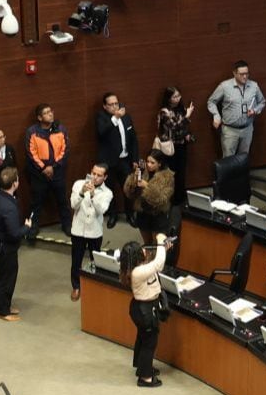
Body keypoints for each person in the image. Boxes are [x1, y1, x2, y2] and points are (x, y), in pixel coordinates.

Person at [119, 238, 172, 387]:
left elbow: (153, 262)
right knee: (150, 342)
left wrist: (163, 248)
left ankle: (142, 367)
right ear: (136, 255)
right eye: (140, 249)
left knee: (143, 339)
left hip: (141, 308)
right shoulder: (138, 272)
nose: (144, 249)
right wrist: (161, 241)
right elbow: (158, 264)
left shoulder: (136, 268)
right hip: (145, 310)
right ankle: (145, 378)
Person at [67, 163, 113, 302]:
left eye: (99, 175)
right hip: (78, 230)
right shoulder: (78, 184)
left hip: (94, 231)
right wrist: (82, 193)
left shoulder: (107, 193)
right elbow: (73, 205)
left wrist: (93, 196)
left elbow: (102, 210)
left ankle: (95, 285)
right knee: (76, 260)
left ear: (105, 177)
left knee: (95, 260)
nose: (95, 177)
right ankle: (76, 286)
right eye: (93, 173)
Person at [0, 166, 27, 321]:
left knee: (3, 276)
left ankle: (3, 304)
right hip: (5, 248)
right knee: (7, 278)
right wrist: (27, 227)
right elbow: (15, 233)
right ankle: (3, 310)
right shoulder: (9, 208)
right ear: (15, 183)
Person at [94, 91, 139, 227]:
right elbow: (101, 133)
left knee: (128, 188)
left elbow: (133, 139)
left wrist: (135, 159)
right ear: (105, 106)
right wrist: (114, 118)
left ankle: (130, 214)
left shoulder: (126, 117)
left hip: (125, 160)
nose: (114, 106)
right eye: (111, 104)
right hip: (109, 162)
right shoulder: (101, 117)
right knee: (110, 189)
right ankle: (113, 215)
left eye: (116, 103)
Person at [25, 103, 71, 237]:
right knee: (36, 203)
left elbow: (65, 149)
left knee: (62, 201)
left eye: (51, 111)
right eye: (46, 113)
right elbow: (31, 152)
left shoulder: (60, 129)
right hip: (39, 175)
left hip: (58, 173)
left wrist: (54, 166)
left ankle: (67, 225)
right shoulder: (32, 132)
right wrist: (44, 168)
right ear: (39, 118)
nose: (50, 114)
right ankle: (32, 228)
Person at [207, 59, 266, 158]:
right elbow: (211, 101)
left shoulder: (254, 86)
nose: (245, 76)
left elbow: (262, 102)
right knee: (228, 160)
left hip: (247, 129)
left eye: (247, 73)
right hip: (230, 130)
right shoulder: (224, 86)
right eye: (242, 74)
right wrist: (216, 116)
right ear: (234, 73)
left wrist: (255, 110)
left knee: (243, 159)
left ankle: (241, 174)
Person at [124, 151, 174, 244]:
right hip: (143, 212)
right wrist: (134, 178)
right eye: (147, 161)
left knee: (158, 244)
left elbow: (162, 199)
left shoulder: (168, 177)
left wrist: (147, 186)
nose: (149, 165)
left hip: (157, 214)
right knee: (147, 243)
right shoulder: (143, 172)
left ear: (159, 163)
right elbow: (129, 192)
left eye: (152, 163)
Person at [153, 86, 195, 195]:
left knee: (181, 173)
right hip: (170, 147)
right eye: (174, 96)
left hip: (181, 145)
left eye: (179, 96)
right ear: (168, 98)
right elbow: (174, 127)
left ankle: (180, 198)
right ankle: (170, 198)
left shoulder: (182, 109)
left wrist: (189, 136)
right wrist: (187, 116)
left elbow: (184, 128)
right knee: (171, 173)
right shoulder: (164, 112)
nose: (177, 99)